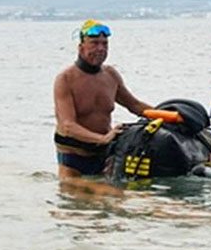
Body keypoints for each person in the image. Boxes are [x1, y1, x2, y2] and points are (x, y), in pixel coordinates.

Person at [53, 20, 152, 178]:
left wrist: (169, 115)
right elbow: (67, 126)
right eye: (94, 43)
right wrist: (103, 138)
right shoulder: (65, 79)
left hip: (103, 156)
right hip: (74, 160)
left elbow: (134, 105)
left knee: (117, 199)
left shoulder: (110, 75)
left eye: (104, 44)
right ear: (81, 47)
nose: (100, 48)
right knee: (104, 195)